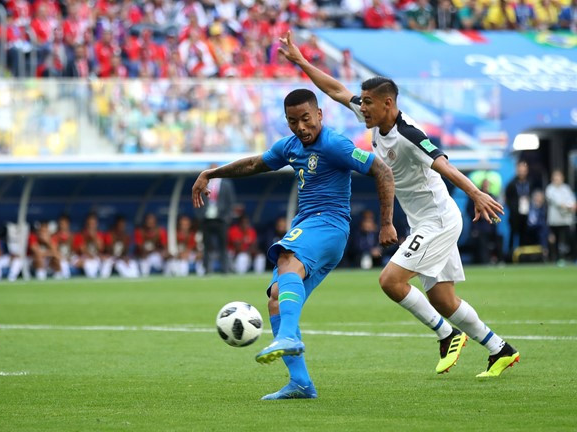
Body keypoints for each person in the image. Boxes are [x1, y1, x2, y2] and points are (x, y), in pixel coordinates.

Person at [278, 30, 519, 378]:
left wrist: (476, 194)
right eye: (361, 101)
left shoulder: (409, 135)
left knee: (390, 281)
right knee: (443, 300)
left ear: (387, 103)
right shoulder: (372, 118)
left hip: (437, 220)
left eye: (368, 102)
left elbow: (444, 164)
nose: (362, 107)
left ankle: (447, 334)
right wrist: (300, 61)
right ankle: (501, 350)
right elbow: (333, 90)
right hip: (426, 221)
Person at [192, 88, 397, 400]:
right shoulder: (289, 147)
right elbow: (252, 165)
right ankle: (300, 383)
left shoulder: (335, 144)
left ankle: (287, 336)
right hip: (309, 225)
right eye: (292, 121)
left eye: (305, 119)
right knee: (275, 297)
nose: (301, 127)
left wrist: (386, 222)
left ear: (319, 115)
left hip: (329, 223)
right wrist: (212, 173)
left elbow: (382, 170)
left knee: (286, 257)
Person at [194, 163, 236, 274]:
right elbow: (197, 197)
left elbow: (230, 201)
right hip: (206, 219)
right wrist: (200, 215)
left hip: (221, 219)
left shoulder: (226, 184)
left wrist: (227, 217)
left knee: (223, 245)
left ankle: (225, 269)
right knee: (207, 246)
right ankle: (207, 269)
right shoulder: (203, 183)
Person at [505, 160, 533, 261]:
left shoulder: (530, 182)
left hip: (526, 213)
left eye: (524, 170)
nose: (522, 172)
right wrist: (512, 207)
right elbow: (507, 198)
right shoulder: (512, 184)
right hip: (514, 214)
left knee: (524, 235)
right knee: (513, 234)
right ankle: (510, 257)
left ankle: (523, 257)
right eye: (520, 170)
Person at [545, 170, 576, 263]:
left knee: (569, 238)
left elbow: (572, 200)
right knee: (555, 240)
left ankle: (571, 257)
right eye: (555, 177)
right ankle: (556, 258)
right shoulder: (549, 189)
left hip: (566, 220)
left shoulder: (566, 188)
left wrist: (573, 205)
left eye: (559, 177)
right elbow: (558, 202)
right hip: (554, 221)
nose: (557, 179)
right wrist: (568, 206)